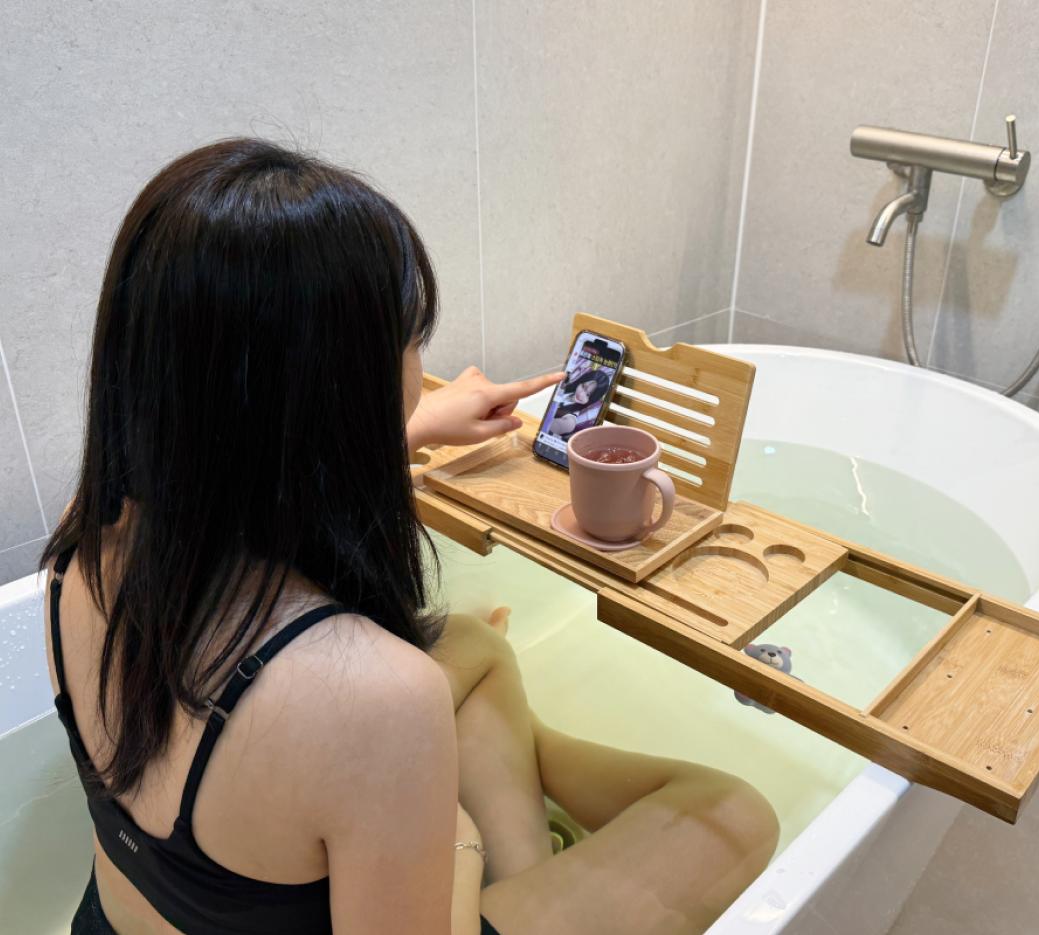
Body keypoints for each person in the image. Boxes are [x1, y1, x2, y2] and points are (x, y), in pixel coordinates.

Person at [45, 138, 778, 935]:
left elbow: (236, 469)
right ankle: (517, 829)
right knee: (733, 813)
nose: (417, 365)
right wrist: (453, 833)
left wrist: (418, 426)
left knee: (476, 648)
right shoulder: (375, 699)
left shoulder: (85, 538)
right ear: (337, 391)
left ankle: (525, 833)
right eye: (407, 343)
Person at [546, 368, 612, 438]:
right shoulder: (564, 388)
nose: (581, 394)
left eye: (588, 395)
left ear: (593, 399)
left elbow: (546, 426)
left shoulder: (570, 421)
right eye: (583, 386)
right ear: (581, 381)